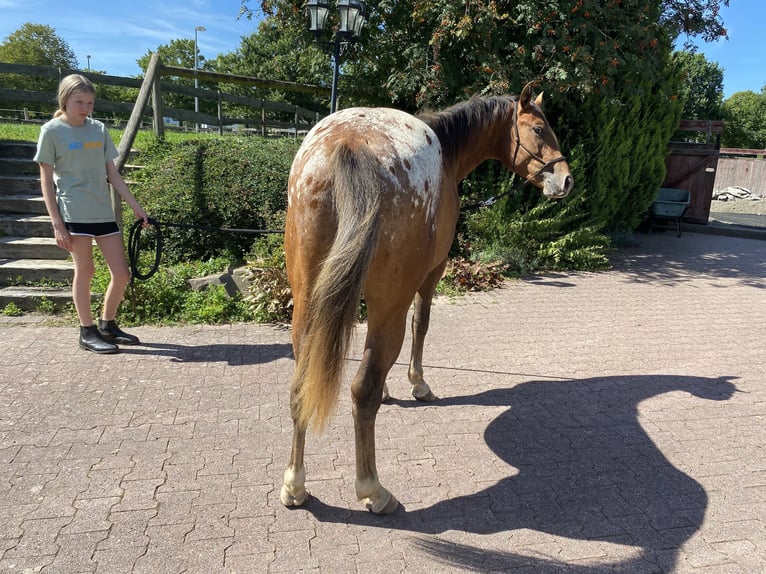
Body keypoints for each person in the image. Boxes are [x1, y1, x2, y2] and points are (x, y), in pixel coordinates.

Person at [34, 74, 149, 354]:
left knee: (121, 274)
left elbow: (113, 174)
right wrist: (57, 224)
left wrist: (136, 208)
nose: (85, 108)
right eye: (79, 102)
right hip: (74, 212)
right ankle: (86, 332)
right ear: (65, 100)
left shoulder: (98, 129)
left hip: (102, 211)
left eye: (90, 102)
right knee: (85, 271)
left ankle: (107, 325)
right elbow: (46, 182)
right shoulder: (51, 131)